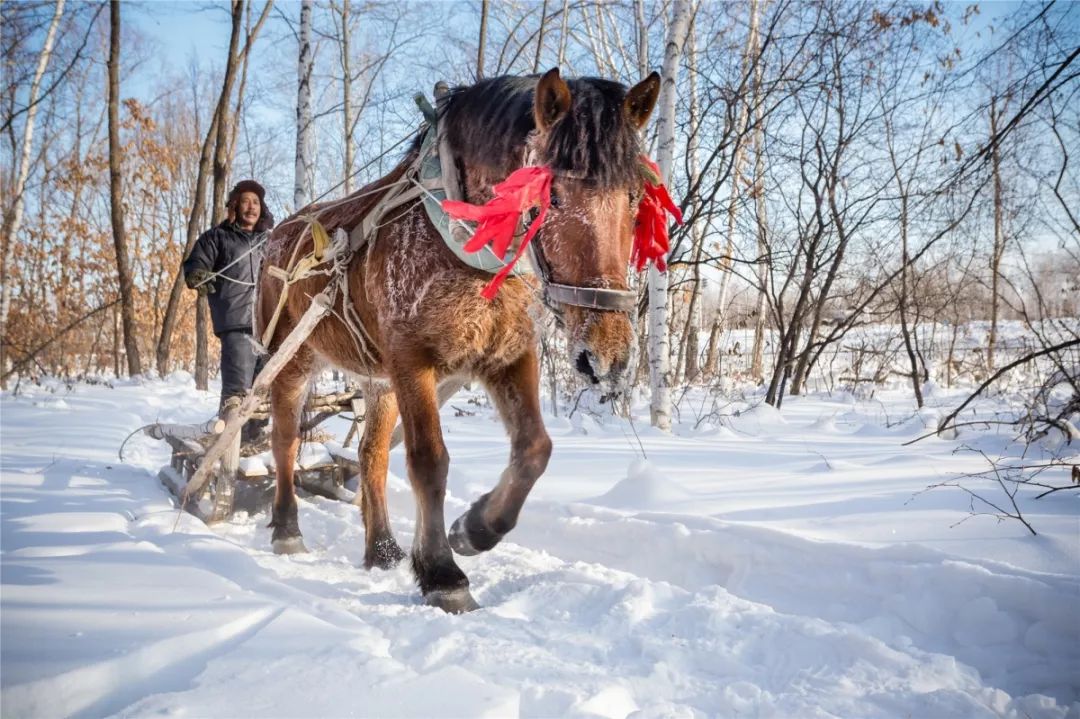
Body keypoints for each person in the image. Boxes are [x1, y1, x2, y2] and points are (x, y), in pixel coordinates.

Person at [183, 179, 275, 442]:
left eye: (256, 202)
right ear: (235, 205)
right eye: (245, 201)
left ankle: (253, 443)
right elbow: (196, 263)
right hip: (236, 323)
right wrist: (198, 274)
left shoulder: (270, 240)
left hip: (268, 324)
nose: (251, 207)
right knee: (238, 391)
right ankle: (227, 448)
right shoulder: (217, 237)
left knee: (263, 390)